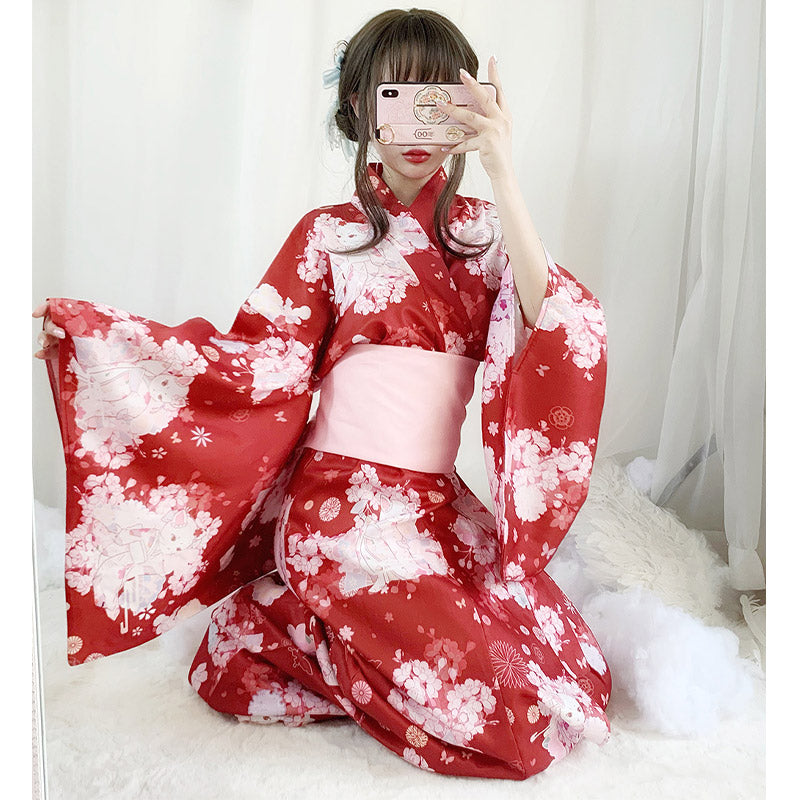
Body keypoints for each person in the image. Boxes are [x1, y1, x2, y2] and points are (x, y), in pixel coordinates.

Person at [33, 8, 611, 781]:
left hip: (434, 504)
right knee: (509, 720)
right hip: (342, 509)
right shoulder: (326, 235)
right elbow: (253, 364)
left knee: (572, 675)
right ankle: (301, 611)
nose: (417, 123)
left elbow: (556, 327)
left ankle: (286, 621)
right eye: (395, 96)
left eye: (438, 99)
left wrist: (504, 169)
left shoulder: (484, 234)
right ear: (360, 106)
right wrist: (95, 333)